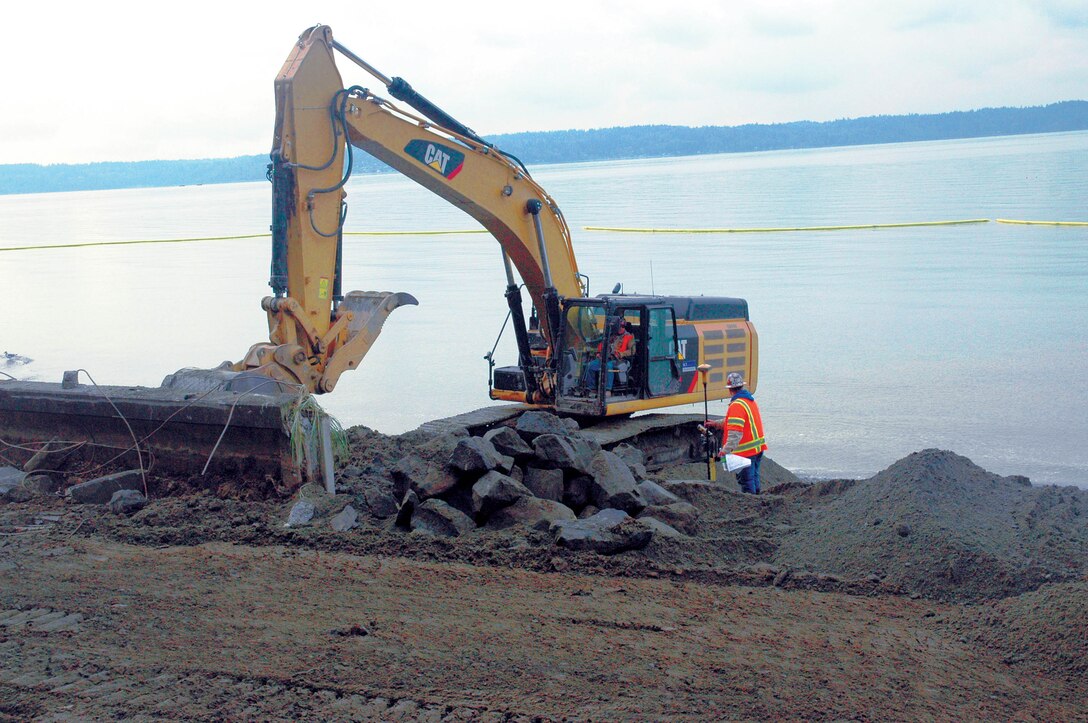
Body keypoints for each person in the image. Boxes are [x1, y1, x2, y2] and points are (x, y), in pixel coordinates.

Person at [702, 372, 766, 494]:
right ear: (742, 387)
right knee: (754, 478)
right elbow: (734, 421)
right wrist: (717, 423)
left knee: (747, 482)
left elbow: (735, 433)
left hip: (746, 452)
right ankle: (758, 500)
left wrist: (724, 451)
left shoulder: (736, 405)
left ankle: (751, 503)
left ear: (730, 390)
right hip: (757, 449)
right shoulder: (749, 401)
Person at [583, 317, 635, 392]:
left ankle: (608, 390)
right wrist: (598, 353)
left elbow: (632, 351)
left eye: (620, 327)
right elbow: (602, 345)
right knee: (590, 365)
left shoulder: (629, 337)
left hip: (619, 359)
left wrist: (621, 354)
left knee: (608, 366)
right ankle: (592, 388)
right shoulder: (611, 336)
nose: (618, 329)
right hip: (607, 358)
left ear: (623, 327)